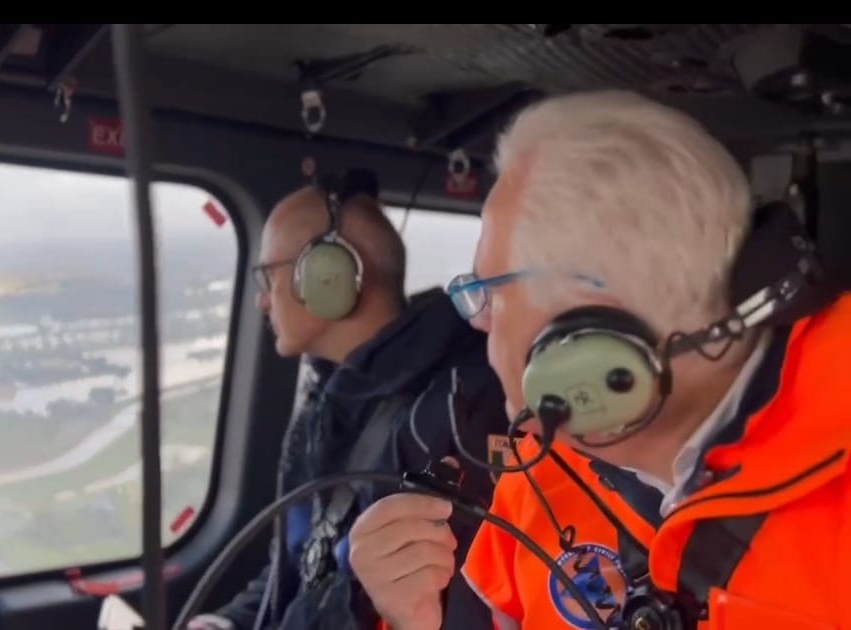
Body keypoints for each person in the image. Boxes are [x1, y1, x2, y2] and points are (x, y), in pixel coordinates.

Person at [348, 89, 851, 630]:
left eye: (490, 294)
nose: (479, 323)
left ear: (587, 326)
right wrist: (409, 619)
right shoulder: (540, 471)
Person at [188, 172, 510, 630]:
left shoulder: (452, 415)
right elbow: (304, 566)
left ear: (328, 276)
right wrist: (224, 625)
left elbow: (419, 610)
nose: (262, 300)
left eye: (268, 275)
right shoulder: (331, 402)